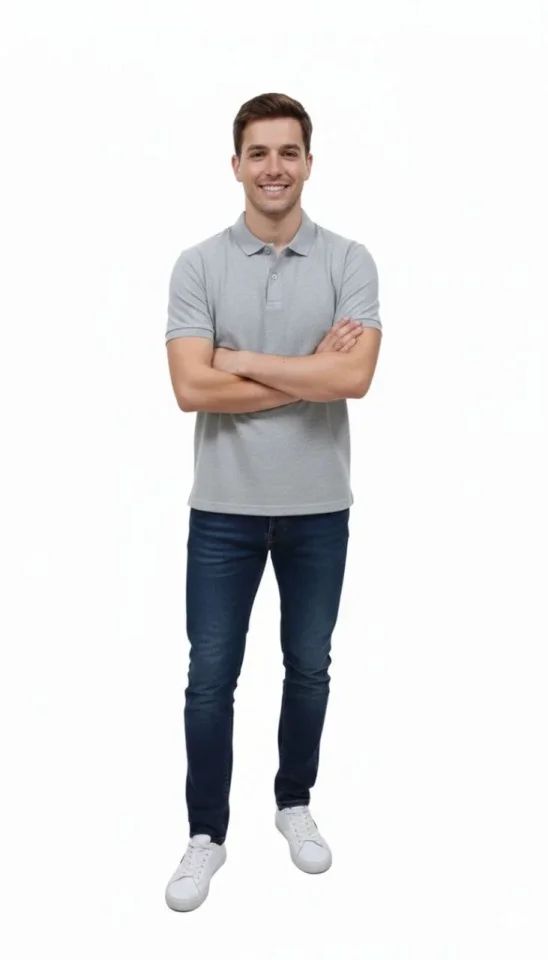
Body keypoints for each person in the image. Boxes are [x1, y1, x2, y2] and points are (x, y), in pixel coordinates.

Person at [163, 92, 382, 912]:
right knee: (209, 678)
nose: (274, 167)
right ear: (236, 165)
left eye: (289, 152)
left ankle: (294, 803)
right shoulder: (197, 266)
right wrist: (305, 374)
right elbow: (191, 389)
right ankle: (205, 837)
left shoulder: (350, 261)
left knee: (310, 666)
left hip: (319, 506)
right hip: (222, 507)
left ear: (309, 163)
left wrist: (240, 360)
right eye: (259, 153)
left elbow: (355, 377)